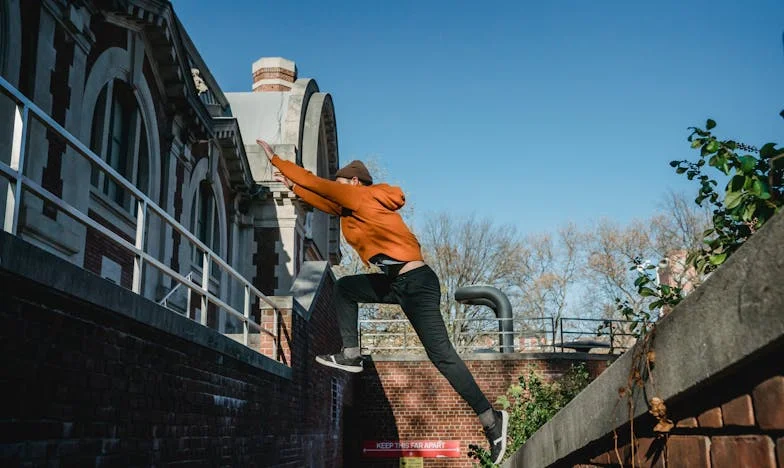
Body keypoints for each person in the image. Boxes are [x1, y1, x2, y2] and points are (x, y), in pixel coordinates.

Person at [256, 139, 509, 464]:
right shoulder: (352, 207)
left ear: (354, 181)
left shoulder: (361, 194)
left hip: (416, 283)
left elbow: (319, 186)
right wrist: (292, 185)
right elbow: (321, 198)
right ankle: (351, 354)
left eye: (341, 182)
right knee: (346, 289)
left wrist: (277, 160)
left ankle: (491, 420)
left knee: (442, 355)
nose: (337, 186)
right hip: (396, 283)